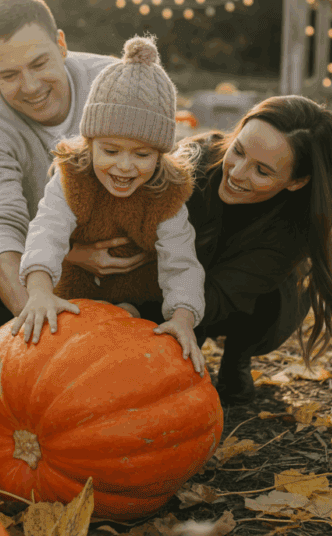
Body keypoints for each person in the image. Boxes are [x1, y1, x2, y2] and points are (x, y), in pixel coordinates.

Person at [107, 95, 332, 407]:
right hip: (158, 275)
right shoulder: (188, 166)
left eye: (262, 171)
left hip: (227, 294)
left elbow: (218, 296)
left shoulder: (293, 228)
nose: (237, 173)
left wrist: (178, 318)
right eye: (239, 151)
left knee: (278, 296)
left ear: (296, 182)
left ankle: (237, 356)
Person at [0, 0, 153, 331]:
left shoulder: (116, 86)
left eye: (39, 63)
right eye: (9, 75)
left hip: (124, 255)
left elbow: (162, 179)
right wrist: (40, 319)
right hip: (37, 266)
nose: (30, 86)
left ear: (61, 44)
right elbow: (0, 226)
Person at [12, 34, 207, 377]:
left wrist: (182, 318)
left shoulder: (167, 192)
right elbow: (47, 229)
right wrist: (40, 290)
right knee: (58, 364)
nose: (124, 166)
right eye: (111, 150)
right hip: (77, 296)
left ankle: (131, 319)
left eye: (142, 154)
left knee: (129, 365)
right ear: (90, 143)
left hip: (139, 297)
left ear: (160, 154)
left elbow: (182, 263)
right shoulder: (72, 175)